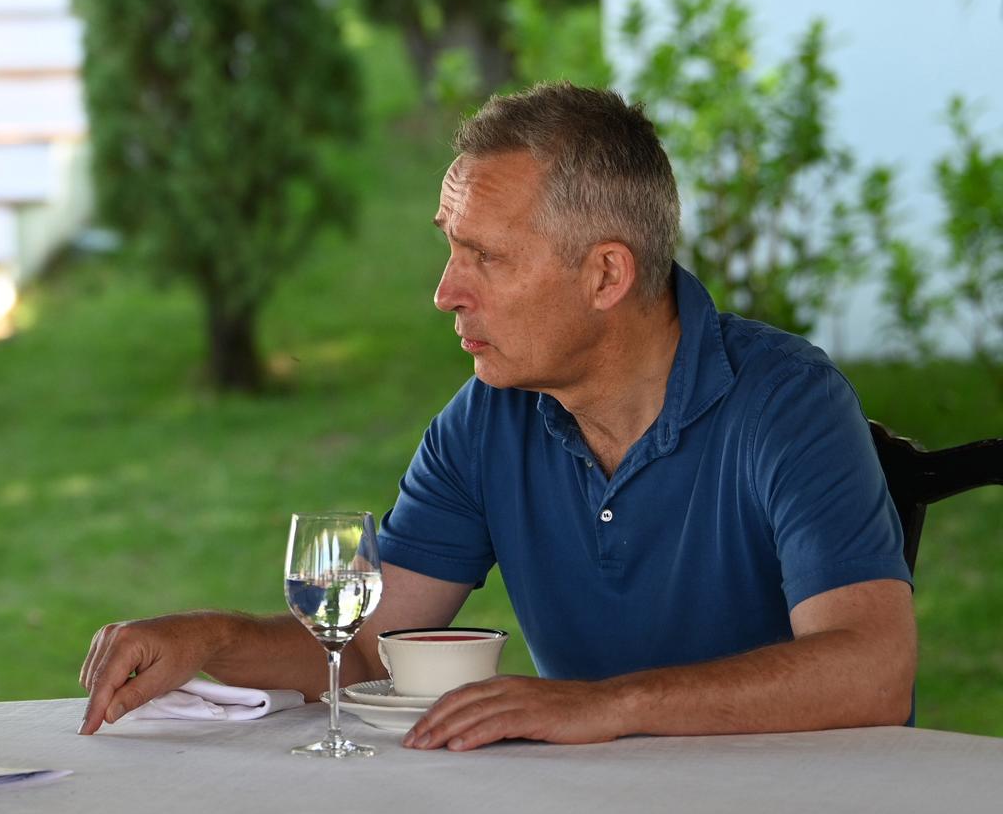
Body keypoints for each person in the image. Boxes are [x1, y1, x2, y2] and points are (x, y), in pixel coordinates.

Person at [77, 82, 915, 750]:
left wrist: (605, 704)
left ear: (606, 275)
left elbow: (874, 669)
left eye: (485, 256)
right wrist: (209, 638)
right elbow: (366, 648)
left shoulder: (788, 401)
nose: (446, 291)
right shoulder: (486, 418)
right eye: (452, 246)